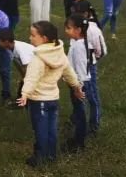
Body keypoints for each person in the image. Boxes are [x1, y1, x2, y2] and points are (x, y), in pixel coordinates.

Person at [17, 21, 83, 167]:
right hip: (53, 99)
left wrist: (24, 94)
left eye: (33, 35)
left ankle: (40, 158)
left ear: (44, 38)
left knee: (40, 130)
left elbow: (31, 78)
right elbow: (69, 72)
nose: (30, 38)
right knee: (51, 129)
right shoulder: (59, 53)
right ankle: (51, 155)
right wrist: (76, 87)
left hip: (38, 100)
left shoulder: (38, 58)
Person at [72, 1, 106, 135]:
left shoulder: (93, 29)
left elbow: (101, 50)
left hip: (89, 66)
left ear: (86, 13)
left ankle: (94, 124)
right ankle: (77, 118)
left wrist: (91, 60)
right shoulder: (75, 27)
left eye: (78, 13)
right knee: (78, 93)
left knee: (92, 96)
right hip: (76, 66)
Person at [63, 16, 92, 152]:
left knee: (80, 115)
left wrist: (77, 88)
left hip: (79, 85)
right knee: (78, 112)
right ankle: (77, 138)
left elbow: (80, 69)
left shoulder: (78, 47)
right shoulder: (78, 43)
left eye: (68, 28)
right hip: (77, 83)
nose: (66, 30)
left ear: (78, 30)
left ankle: (79, 143)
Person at [0, 29, 33, 103]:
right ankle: (21, 101)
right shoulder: (10, 48)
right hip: (30, 68)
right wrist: (23, 77)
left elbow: (26, 66)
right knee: (22, 85)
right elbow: (18, 64)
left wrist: (26, 79)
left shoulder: (20, 49)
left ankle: (27, 101)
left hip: (36, 68)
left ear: (6, 42)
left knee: (26, 86)